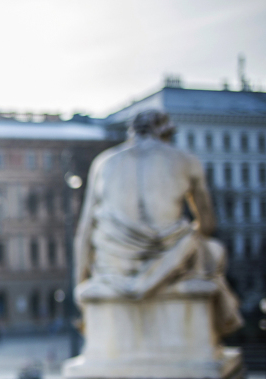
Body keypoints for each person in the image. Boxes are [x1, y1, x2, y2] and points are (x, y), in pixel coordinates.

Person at [74, 109, 242, 335]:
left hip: (114, 264)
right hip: (170, 258)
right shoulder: (185, 160)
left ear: (131, 132)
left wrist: (80, 284)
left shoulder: (104, 163)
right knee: (214, 249)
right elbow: (207, 224)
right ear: (166, 132)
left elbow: (85, 230)